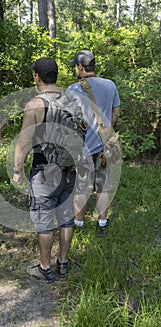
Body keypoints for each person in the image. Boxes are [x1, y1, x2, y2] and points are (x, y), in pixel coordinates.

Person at [13, 57, 77, 283]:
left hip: (44, 170)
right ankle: (63, 263)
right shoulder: (71, 100)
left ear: (37, 77)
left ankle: (45, 268)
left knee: (44, 220)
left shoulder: (35, 104)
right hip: (70, 167)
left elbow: (24, 140)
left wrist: (17, 170)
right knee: (66, 218)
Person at [67, 50, 120, 236]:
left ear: (81, 67)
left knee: (81, 187)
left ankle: (79, 224)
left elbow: (69, 121)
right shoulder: (110, 85)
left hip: (83, 147)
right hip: (105, 146)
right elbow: (116, 113)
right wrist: (105, 131)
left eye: (75, 66)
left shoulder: (73, 90)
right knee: (103, 187)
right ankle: (102, 224)